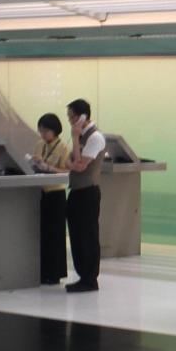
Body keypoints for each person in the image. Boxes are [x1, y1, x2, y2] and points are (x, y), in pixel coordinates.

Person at [64, 98, 105, 293]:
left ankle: (90, 279)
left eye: (72, 117)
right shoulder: (82, 136)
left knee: (88, 235)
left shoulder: (95, 137)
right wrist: (73, 161)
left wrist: (74, 137)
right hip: (76, 190)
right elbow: (68, 160)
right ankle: (82, 275)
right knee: (76, 235)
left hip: (88, 191)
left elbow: (79, 165)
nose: (70, 121)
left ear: (82, 117)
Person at [31, 113, 69, 285]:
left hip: (56, 194)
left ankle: (55, 273)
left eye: (45, 131)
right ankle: (41, 271)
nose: (42, 134)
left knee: (55, 235)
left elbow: (66, 171)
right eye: (40, 130)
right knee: (42, 234)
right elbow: (36, 164)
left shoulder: (63, 148)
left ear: (55, 130)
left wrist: (48, 167)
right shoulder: (39, 145)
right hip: (40, 192)